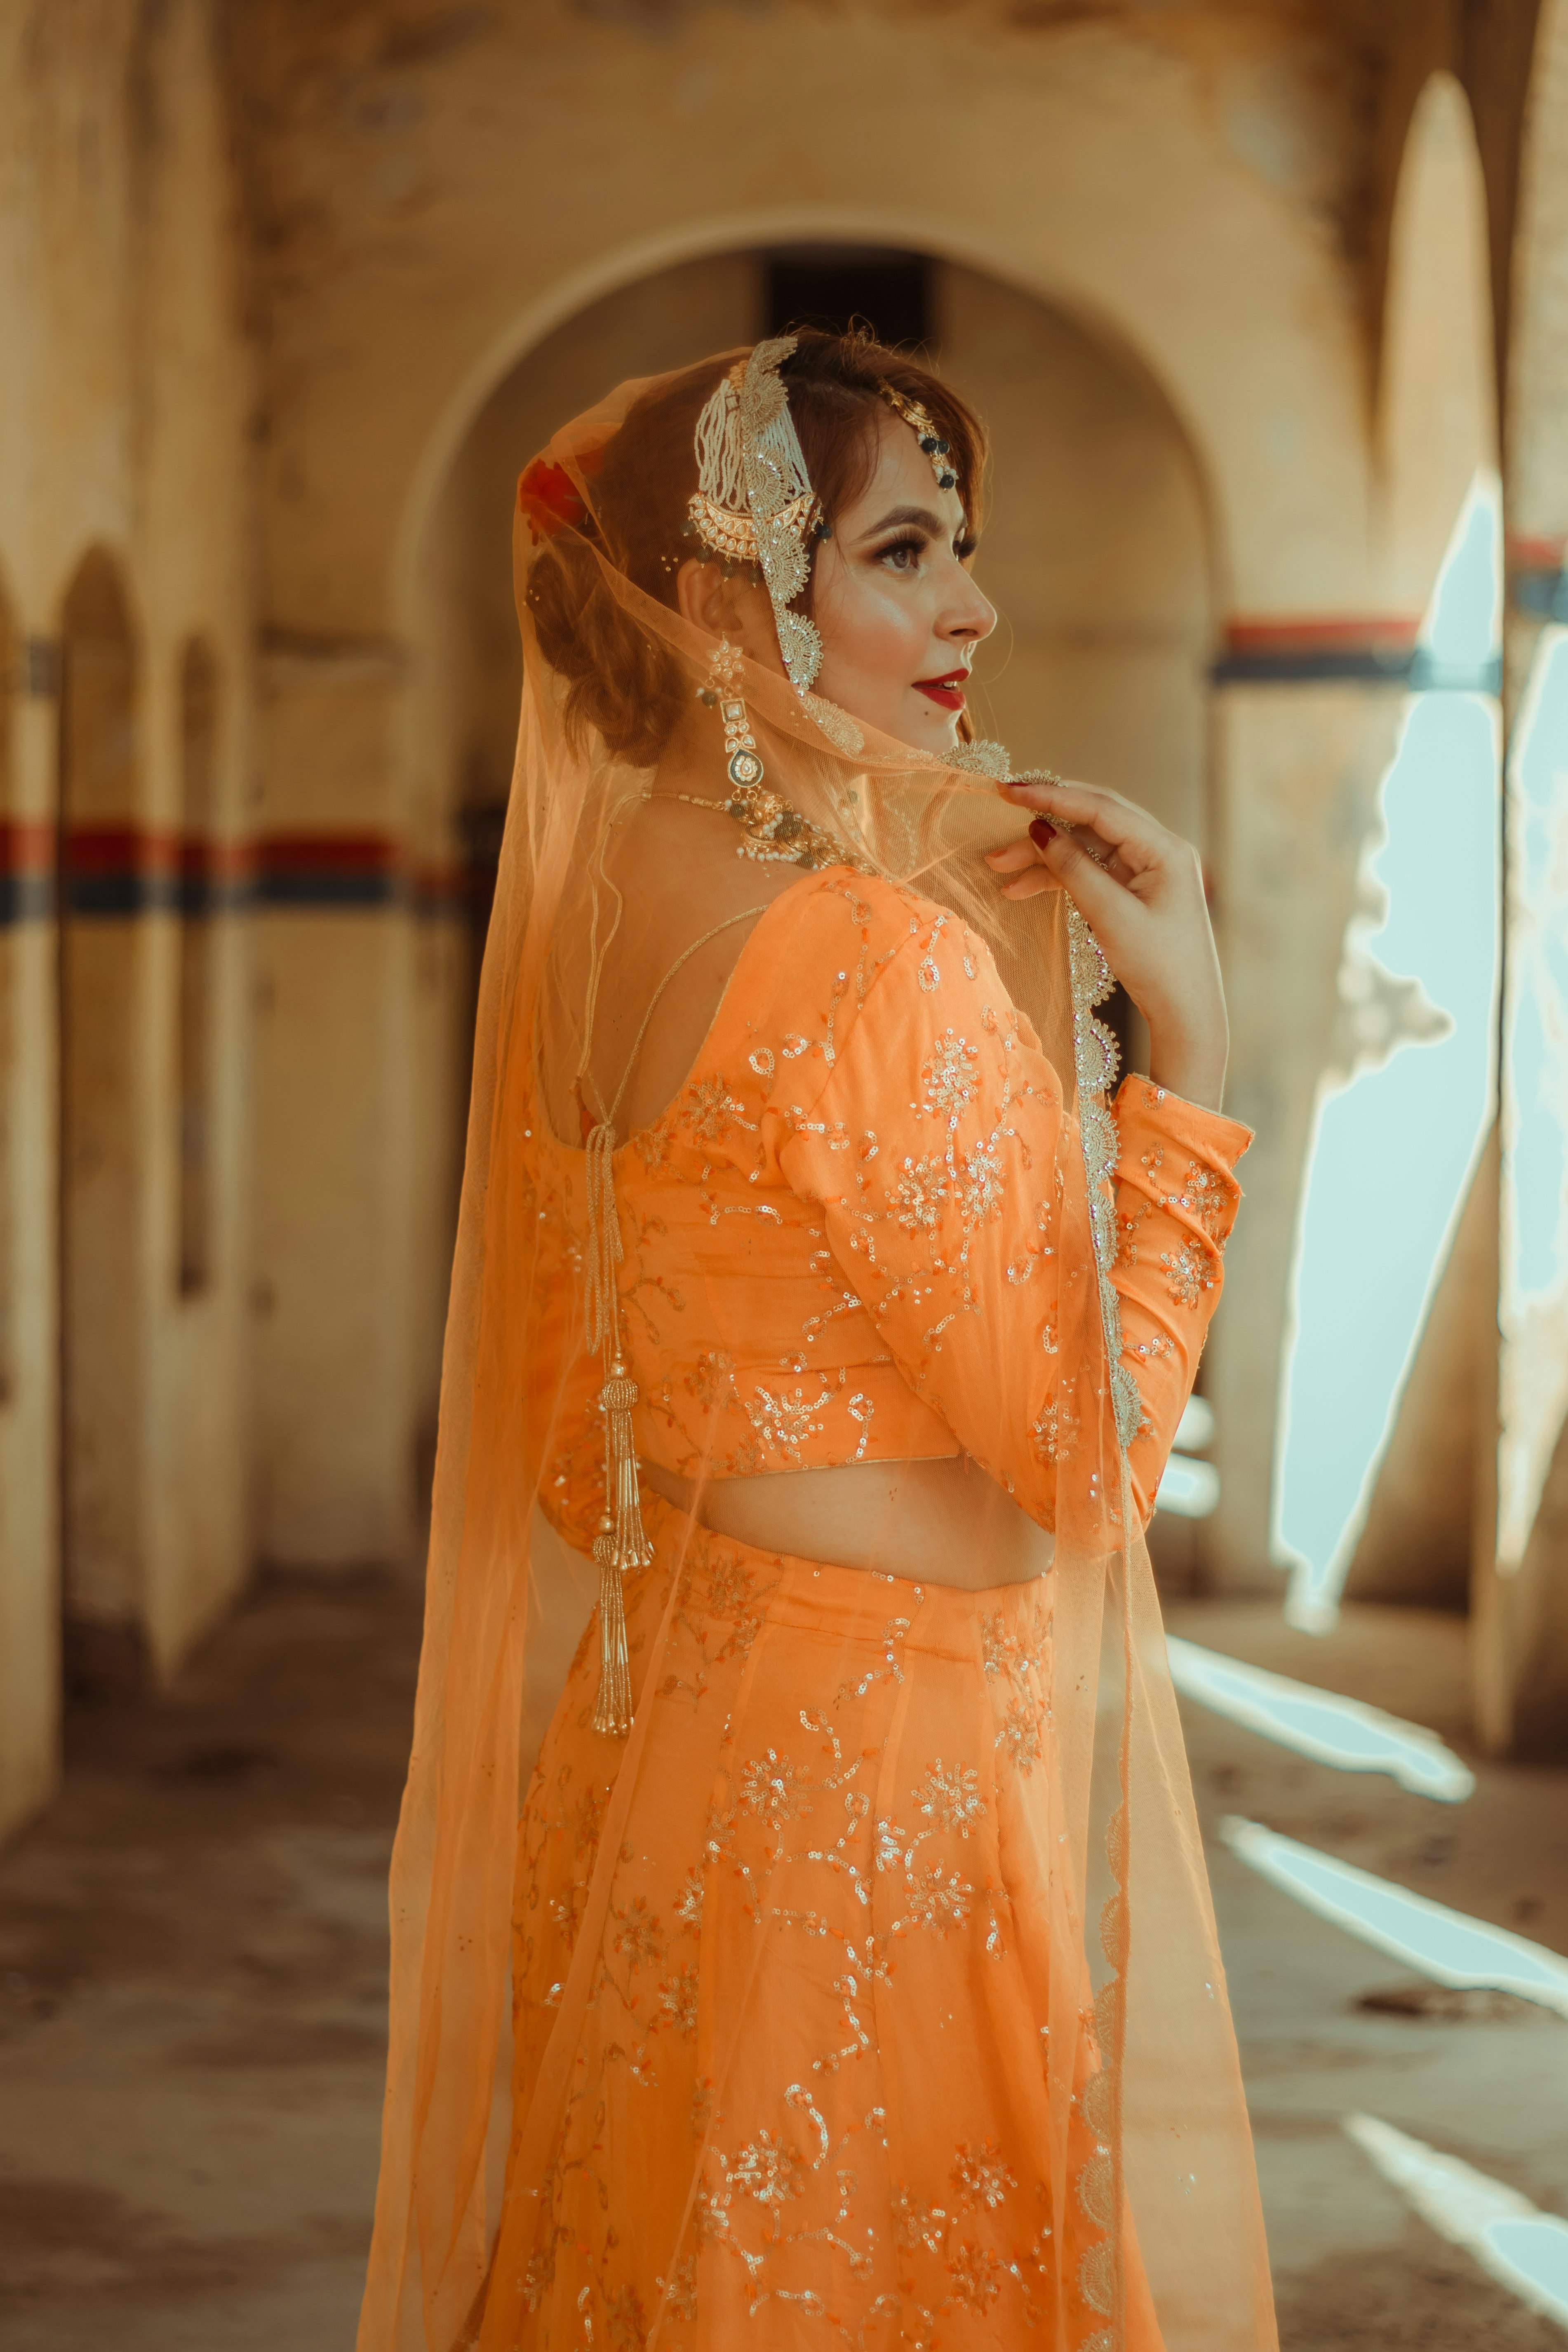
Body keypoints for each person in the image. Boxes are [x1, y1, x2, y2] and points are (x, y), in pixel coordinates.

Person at [358, 331, 1278, 2352]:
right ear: (725, 603)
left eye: (965, 547)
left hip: (666, 1734)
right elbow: (1094, 1460)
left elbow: (597, 1400)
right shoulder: (868, 964)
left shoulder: (605, 906)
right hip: (876, 1794)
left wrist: (941, 881)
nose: (975, 604)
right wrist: (1193, 1068)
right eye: (903, 550)